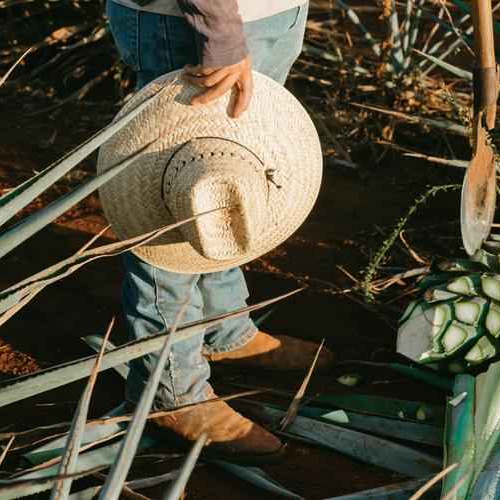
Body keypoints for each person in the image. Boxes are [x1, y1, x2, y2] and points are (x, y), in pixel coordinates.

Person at [104, 0, 334, 464]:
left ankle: (222, 325)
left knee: (232, 167)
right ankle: (168, 390)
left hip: (257, 13)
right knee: (177, 190)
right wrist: (220, 33)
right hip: (196, 19)